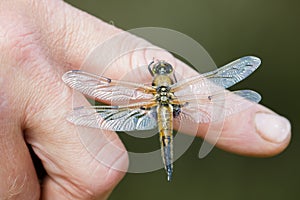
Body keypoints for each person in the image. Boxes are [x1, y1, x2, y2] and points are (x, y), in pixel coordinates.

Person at [0, 0, 291, 199]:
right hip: (169, 109)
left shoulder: (148, 94)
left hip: (156, 108)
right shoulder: (174, 93)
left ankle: (166, 163)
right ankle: (169, 163)